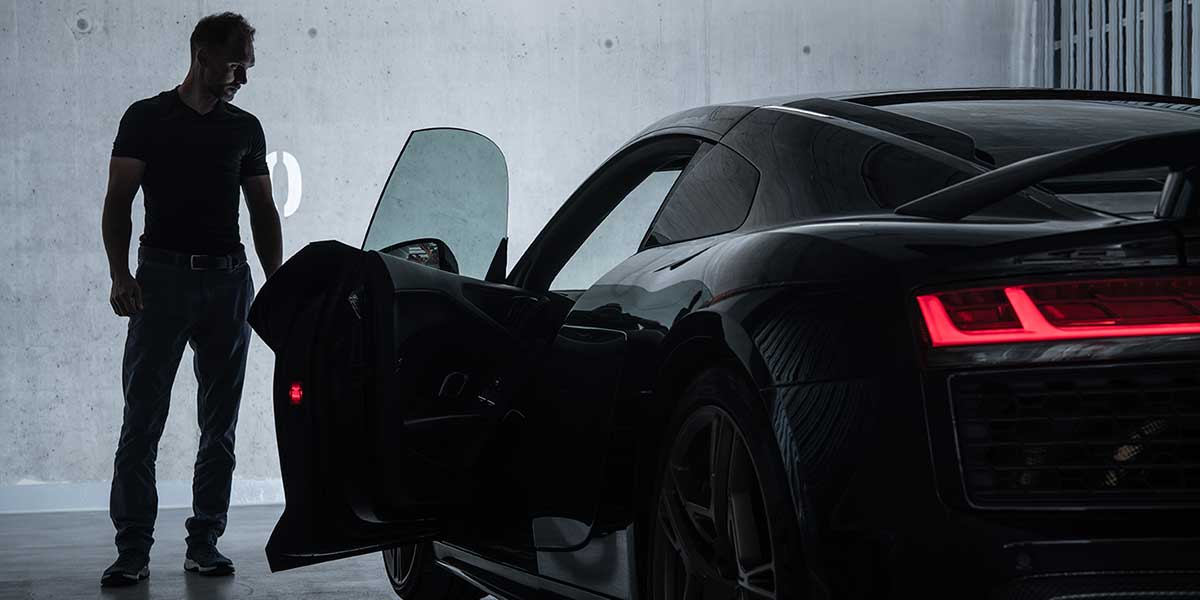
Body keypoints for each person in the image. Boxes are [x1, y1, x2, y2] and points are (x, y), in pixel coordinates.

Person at [99, 11, 282, 587]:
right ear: (201, 55)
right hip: (161, 282)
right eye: (235, 66)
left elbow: (262, 211)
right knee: (142, 420)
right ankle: (132, 550)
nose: (242, 79)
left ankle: (204, 542)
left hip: (228, 284)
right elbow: (117, 201)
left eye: (247, 68)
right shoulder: (146, 118)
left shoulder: (244, 128)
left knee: (219, 425)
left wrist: (277, 285)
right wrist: (118, 274)